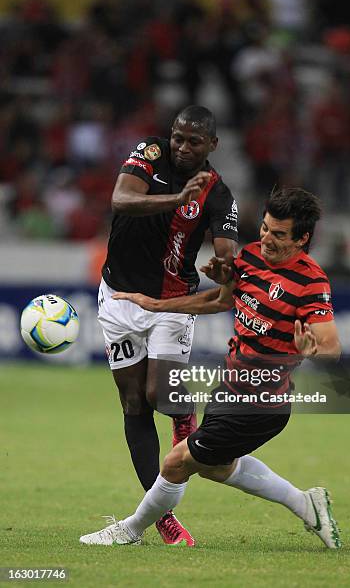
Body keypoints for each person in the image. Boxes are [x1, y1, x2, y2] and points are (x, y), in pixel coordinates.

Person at [80, 187, 342, 549]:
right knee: (216, 466)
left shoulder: (311, 282)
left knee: (175, 462)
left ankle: (129, 530)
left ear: (302, 239)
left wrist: (311, 349)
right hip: (230, 388)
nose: (266, 239)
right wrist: (158, 305)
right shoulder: (250, 258)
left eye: (279, 235)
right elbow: (219, 300)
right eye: (265, 228)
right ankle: (305, 502)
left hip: (262, 403)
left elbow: (331, 346)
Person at [93, 106, 238, 546]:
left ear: (212, 145)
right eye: (178, 137)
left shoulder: (219, 194)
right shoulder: (149, 154)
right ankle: (161, 517)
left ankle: (182, 414)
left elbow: (227, 251)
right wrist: (176, 200)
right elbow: (121, 199)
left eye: (194, 141)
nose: (182, 146)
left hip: (173, 302)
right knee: (134, 403)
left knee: (162, 395)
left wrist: (223, 266)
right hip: (118, 297)